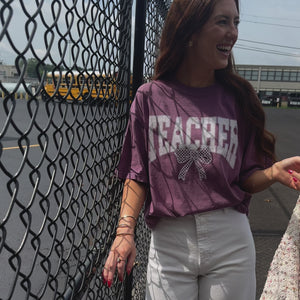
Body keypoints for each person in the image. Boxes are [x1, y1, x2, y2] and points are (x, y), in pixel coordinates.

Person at [102, 0, 300, 299]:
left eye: (236, 22)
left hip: (230, 240)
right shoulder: (149, 97)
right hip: (169, 243)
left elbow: (246, 177)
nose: (232, 32)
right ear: (189, 29)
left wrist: (271, 173)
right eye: (222, 21)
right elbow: (137, 172)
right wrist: (124, 233)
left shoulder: (238, 98)